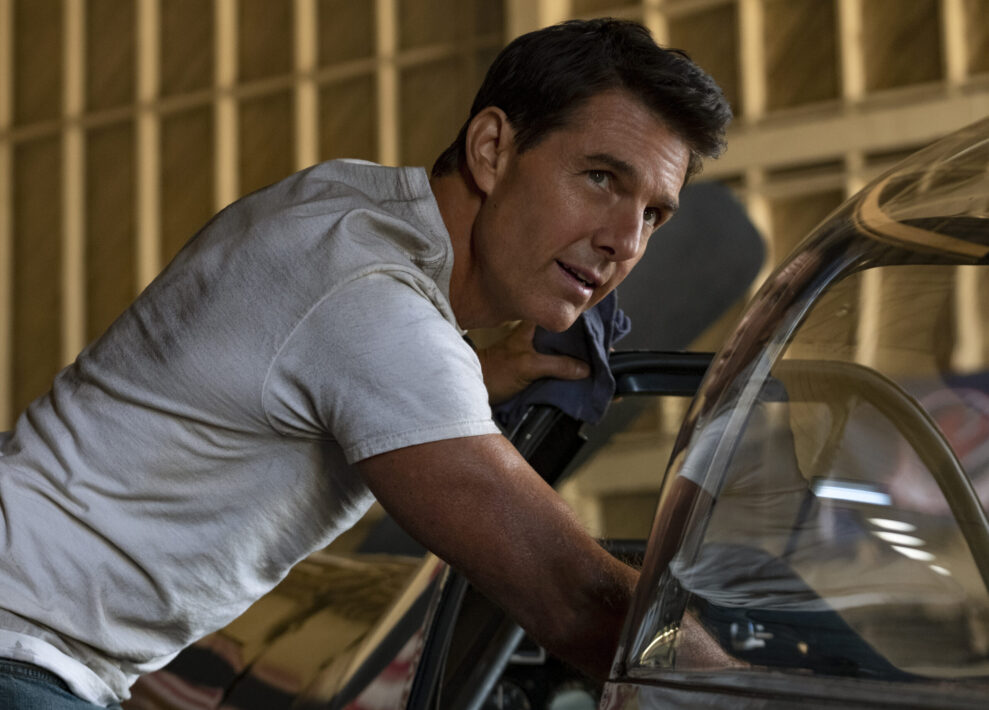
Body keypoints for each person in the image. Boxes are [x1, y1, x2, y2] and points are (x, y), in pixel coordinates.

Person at [0, 18, 731, 708]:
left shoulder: (343, 205)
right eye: (601, 178)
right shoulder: (374, 305)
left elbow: (302, 376)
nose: (623, 242)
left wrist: (471, 375)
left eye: (653, 214)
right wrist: (758, 687)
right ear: (491, 150)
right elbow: (573, 600)